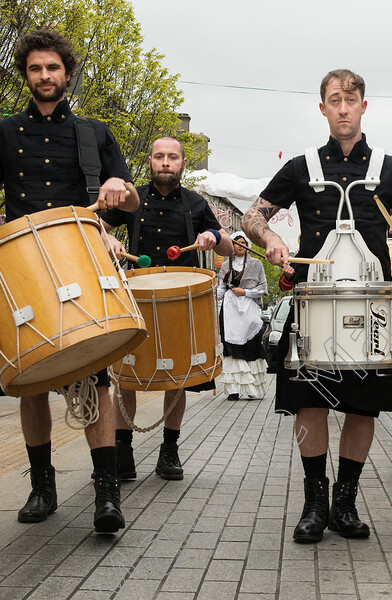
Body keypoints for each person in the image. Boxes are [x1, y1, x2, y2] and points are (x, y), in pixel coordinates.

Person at [0, 29, 139, 533]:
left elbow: (129, 200)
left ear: (67, 74)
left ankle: (107, 497)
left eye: (53, 67)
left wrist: (121, 188)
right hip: (23, 269)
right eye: (36, 68)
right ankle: (41, 487)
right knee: (29, 381)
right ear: (26, 74)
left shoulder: (96, 133)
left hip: (80, 263)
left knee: (96, 378)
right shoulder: (5, 133)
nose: (45, 76)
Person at [242, 69, 392, 543]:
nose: (343, 107)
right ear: (322, 108)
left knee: (363, 408)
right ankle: (312, 503)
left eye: (351, 99)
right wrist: (271, 241)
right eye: (334, 100)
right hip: (313, 302)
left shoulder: (389, 168)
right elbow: (252, 216)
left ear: (364, 106)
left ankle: (344, 502)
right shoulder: (303, 166)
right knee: (310, 405)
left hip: (372, 307)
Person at [101, 135, 233, 481]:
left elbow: (230, 247)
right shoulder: (132, 200)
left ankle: (169, 451)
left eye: (172, 157)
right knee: (126, 376)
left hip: (180, 299)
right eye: (159, 156)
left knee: (177, 377)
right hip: (136, 295)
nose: (165, 162)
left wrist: (213, 238)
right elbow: (95, 225)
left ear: (182, 164)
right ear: (150, 161)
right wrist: (107, 237)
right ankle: (123, 452)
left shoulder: (195, 203)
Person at [216, 232, 268, 401]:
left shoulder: (256, 264)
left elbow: (263, 289)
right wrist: (212, 289)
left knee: (251, 345)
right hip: (230, 310)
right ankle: (233, 389)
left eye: (242, 243)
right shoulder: (225, 265)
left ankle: (252, 388)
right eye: (236, 243)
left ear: (247, 246)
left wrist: (245, 291)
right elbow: (221, 289)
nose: (239, 245)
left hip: (249, 308)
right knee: (231, 347)